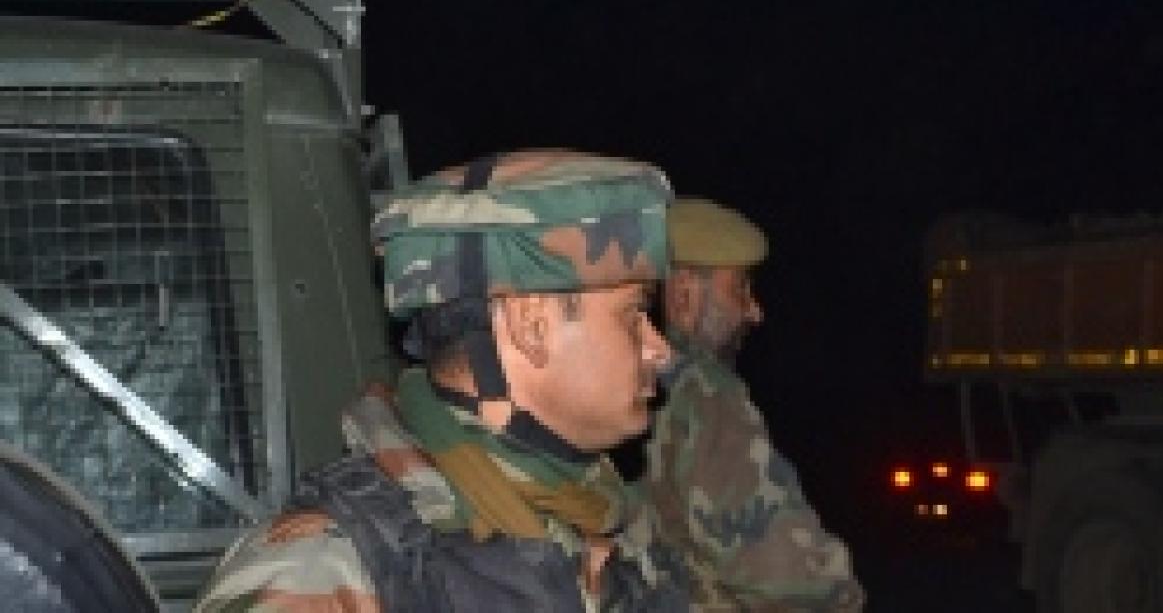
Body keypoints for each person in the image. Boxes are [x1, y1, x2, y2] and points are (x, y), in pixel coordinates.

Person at [195, 150, 694, 612]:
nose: (660, 349)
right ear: (531, 326)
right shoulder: (322, 577)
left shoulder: (611, 534)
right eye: (633, 315)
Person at [640, 197, 866, 612]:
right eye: (740, 288)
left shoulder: (633, 392)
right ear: (684, 294)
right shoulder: (708, 396)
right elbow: (782, 571)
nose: (755, 311)